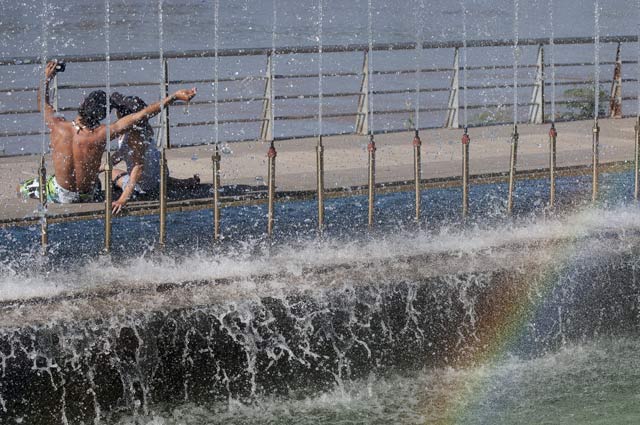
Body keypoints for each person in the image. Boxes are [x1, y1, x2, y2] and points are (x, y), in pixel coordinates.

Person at [19, 60, 197, 205]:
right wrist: (173, 97)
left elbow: (43, 105)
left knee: (23, 188)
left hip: (62, 195)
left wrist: (46, 79)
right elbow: (141, 115)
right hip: (88, 194)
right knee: (94, 179)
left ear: (82, 104)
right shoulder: (103, 133)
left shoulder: (58, 126)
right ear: (102, 116)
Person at [108, 92, 200, 214]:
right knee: (151, 166)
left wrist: (122, 200)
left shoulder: (133, 137)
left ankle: (135, 190)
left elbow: (138, 167)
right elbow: (124, 152)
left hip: (145, 186)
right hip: (159, 175)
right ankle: (177, 182)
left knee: (112, 173)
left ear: (122, 115)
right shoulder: (143, 128)